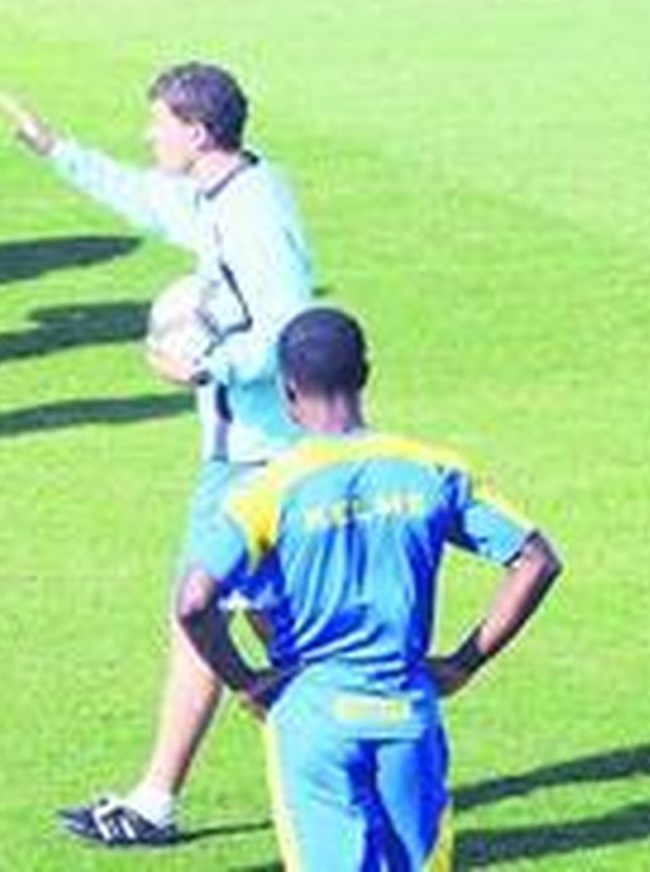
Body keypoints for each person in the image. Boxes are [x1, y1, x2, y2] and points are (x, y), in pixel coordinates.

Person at [0, 61, 315, 845]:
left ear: (198, 132)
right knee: (263, 628)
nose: (149, 135)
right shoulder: (221, 191)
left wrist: (210, 365)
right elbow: (146, 195)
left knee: (205, 614)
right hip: (242, 447)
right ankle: (323, 773)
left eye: (159, 123)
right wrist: (54, 148)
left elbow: (291, 322)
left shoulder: (253, 216)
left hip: (257, 456)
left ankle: (169, 801)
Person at [176, 307, 562, 868]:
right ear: (365, 374)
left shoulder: (266, 490)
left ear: (287, 391)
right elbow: (536, 560)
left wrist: (245, 682)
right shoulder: (434, 470)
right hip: (407, 711)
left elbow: (193, 601)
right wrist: (463, 662)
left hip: (313, 716)